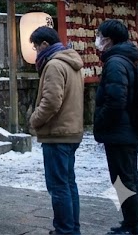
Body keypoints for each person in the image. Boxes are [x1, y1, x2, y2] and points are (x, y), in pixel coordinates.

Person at [28, 25, 84, 235]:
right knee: (68, 183)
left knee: (59, 186)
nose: (36, 51)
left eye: (36, 47)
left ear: (45, 44)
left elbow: (51, 101)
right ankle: (71, 228)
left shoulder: (54, 65)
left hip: (57, 133)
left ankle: (64, 230)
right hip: (71, 130)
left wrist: (35, 120)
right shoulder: (72, 62)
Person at [94, 19, 138, 235]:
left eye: (99, 35)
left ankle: (133, 225)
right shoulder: (126, 59)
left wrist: (101, 122)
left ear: (108, 39)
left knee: (123, 179)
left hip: (120, 132)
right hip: (128, 130)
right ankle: (134, 223)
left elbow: (116, 100)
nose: (97, 39)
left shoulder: (115, 63)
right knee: (129, 177)